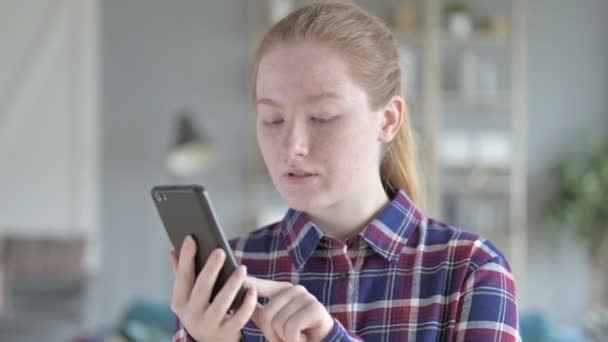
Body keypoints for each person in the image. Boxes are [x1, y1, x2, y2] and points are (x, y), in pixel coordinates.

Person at [168, 2, 520, 341]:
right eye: (273, 119)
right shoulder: (228, 273)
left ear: (388, 120)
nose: (292, 146)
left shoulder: (471, 270)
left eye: (322, 117)